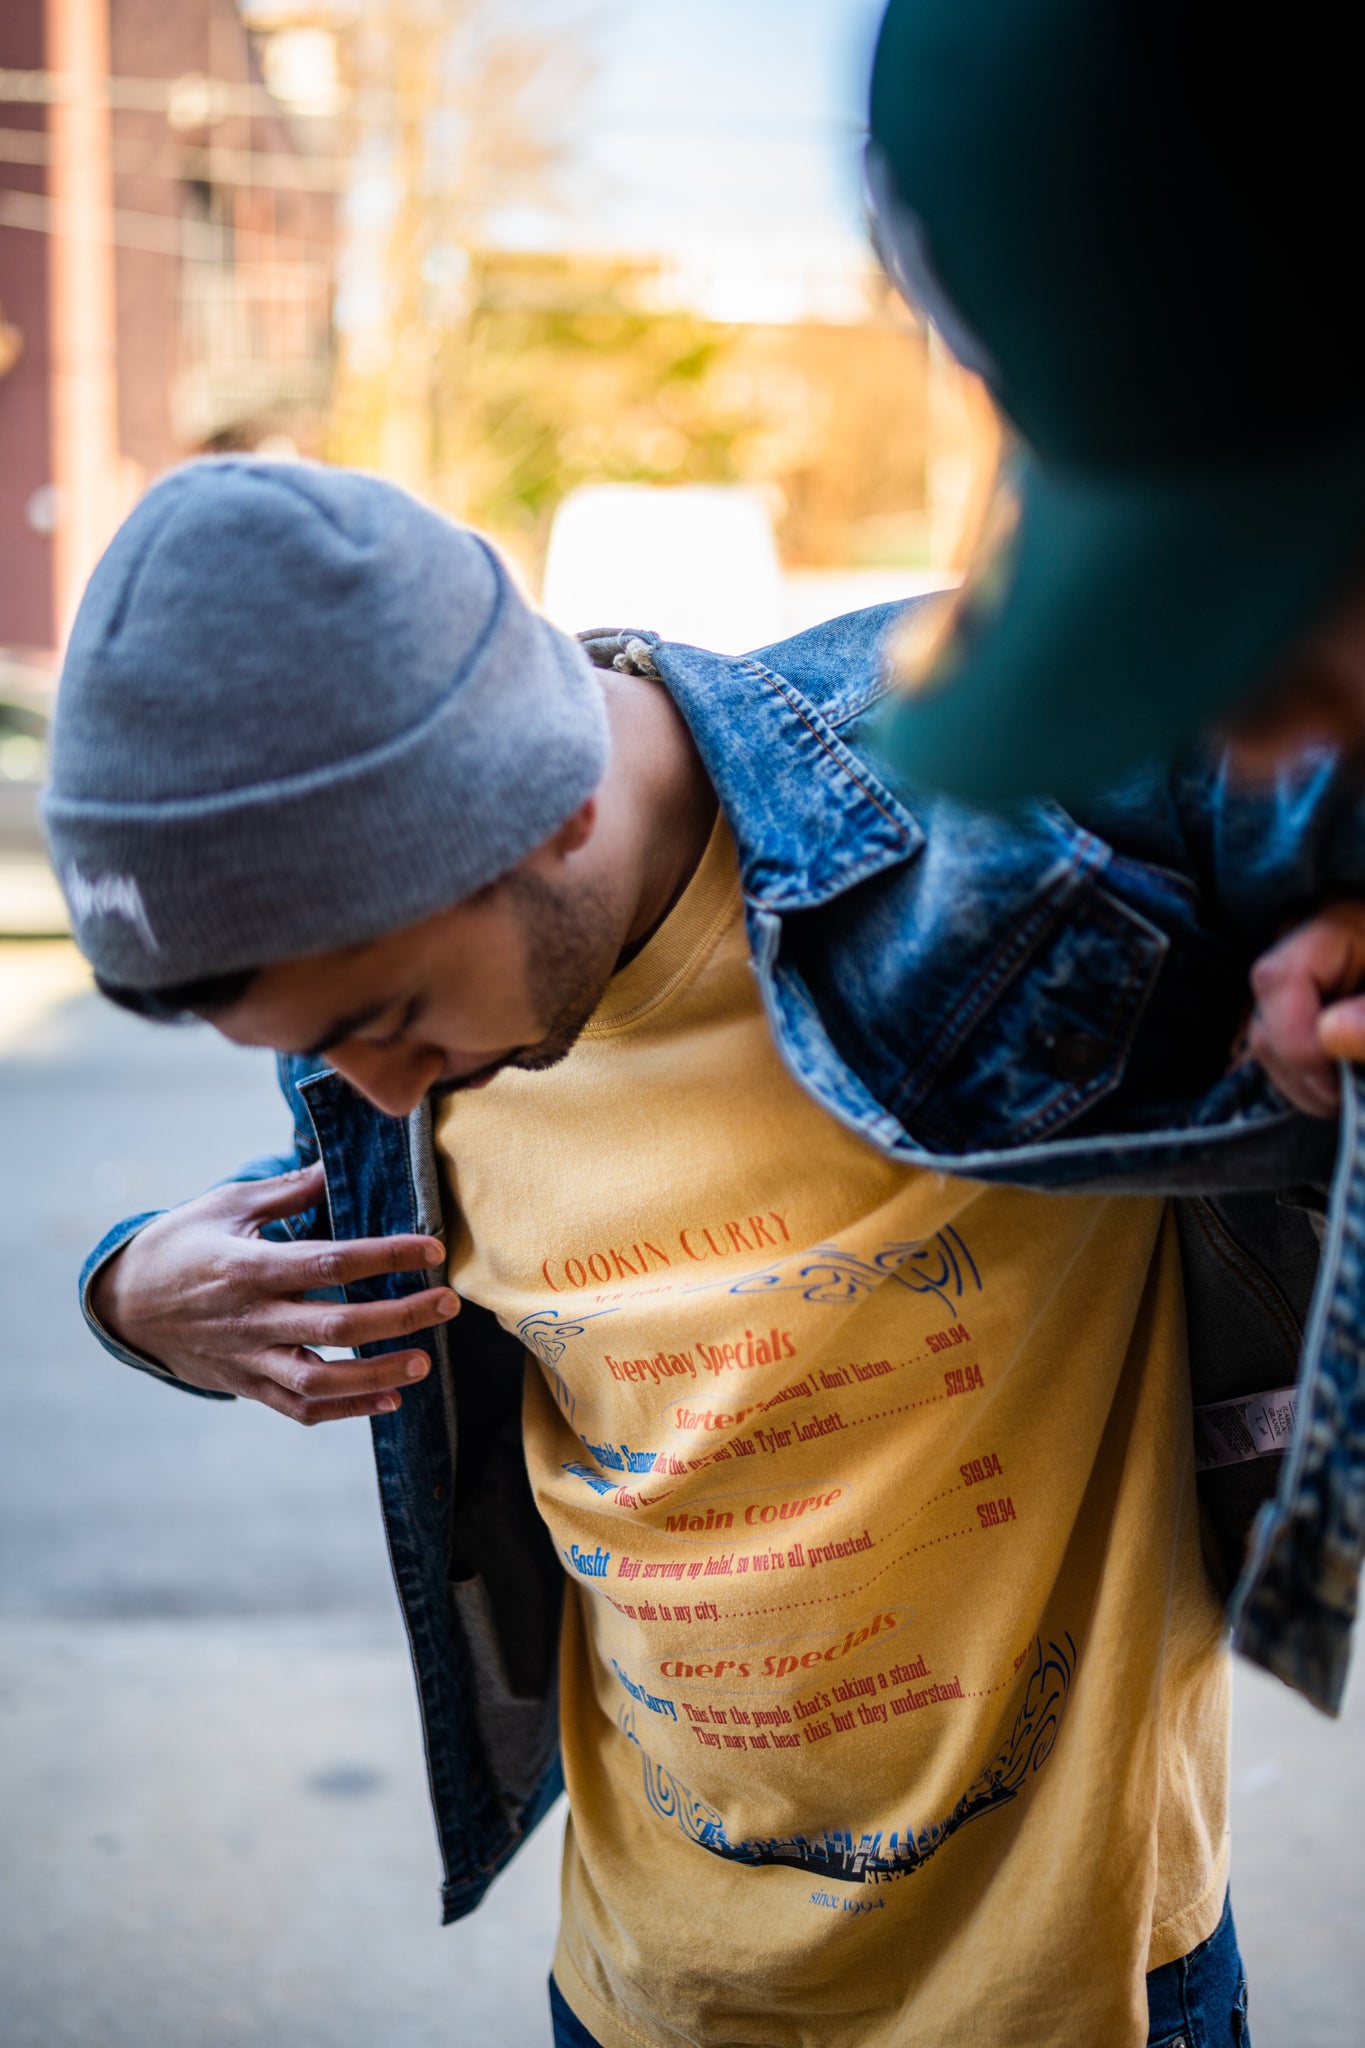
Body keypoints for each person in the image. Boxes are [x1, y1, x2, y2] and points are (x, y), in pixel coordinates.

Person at [50, 459, 1365, 2048]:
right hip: (636, 1992)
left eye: (388, 1018)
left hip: (1080, 1990)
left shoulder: (1001, 781)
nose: (377, 1092)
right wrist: (130, 1291)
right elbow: (355, 1190)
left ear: (547, 807)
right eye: (318, 1047)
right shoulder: (417, 1020)